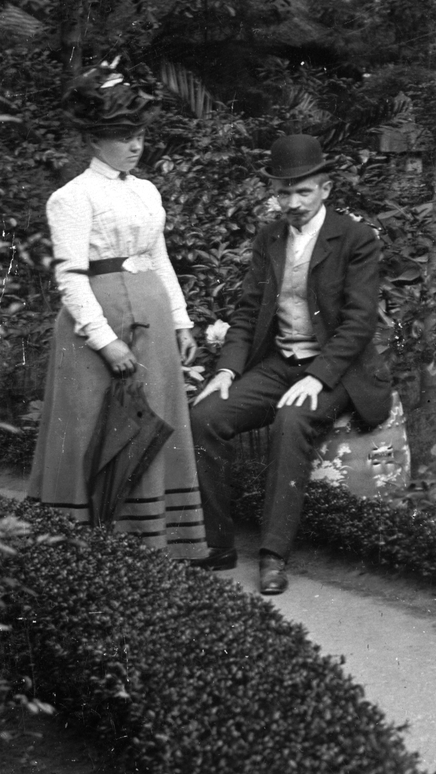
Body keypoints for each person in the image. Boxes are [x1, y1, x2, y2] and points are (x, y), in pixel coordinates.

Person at [190, 134, 390, 594]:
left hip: (338, 369)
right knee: (205, 417)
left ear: (326, 189)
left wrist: (318, 377)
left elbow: (359, 323)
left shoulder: (355, 238)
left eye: (303, 191)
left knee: (291, 418)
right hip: (280, 363)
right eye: (284, 192)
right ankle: (218, 543)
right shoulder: (270, 237)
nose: (293, 202)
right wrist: (226, 371)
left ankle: (273, 554)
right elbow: (247, 310)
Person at [28, 63, 207, 561]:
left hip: (151, 317)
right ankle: (88, 553)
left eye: (139, 135)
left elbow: (158, 257)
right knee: (93, 430)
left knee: (155, 424)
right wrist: (105, 341)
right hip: (95, 333)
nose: (135, 145)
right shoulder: (72, 197)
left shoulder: (146, 191)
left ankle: (159, 547)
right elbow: (69, 276)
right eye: (123, 136)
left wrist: (181, 318)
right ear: (95, 141)